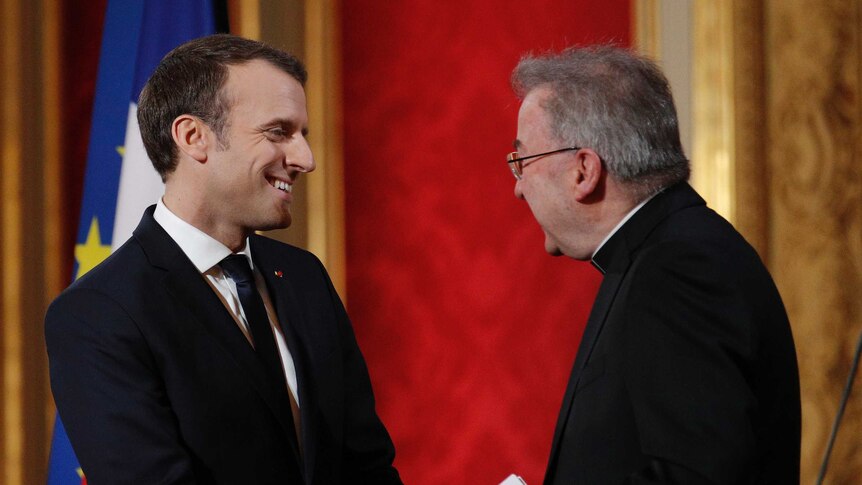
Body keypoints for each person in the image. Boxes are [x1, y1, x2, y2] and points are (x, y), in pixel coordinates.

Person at [46, 34, 401, 484]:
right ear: (194, 137)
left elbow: (367, 470)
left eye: (302, 135)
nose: (305, 159)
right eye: (278, 132)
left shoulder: (303, 277)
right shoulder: (98, 314)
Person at [508, 46, 800, 484]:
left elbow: (699, 476)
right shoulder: (659, 253)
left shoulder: (678, 269)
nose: (518, 189)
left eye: (523, 162)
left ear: (583, 171)